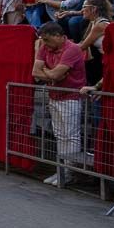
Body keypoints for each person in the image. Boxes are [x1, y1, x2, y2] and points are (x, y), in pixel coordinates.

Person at [32, 22, 87, 185]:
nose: (45, 44)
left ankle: (69, 171)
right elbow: (36, 72)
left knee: (70, 135)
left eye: (47, 40)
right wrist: (51, 74)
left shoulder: (72, 49)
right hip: (55, 95)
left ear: (58, 36)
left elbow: (55, 74)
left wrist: (47, 72)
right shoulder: (45, 47)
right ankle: (62, 169)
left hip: (71, 97)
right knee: (60, 135)